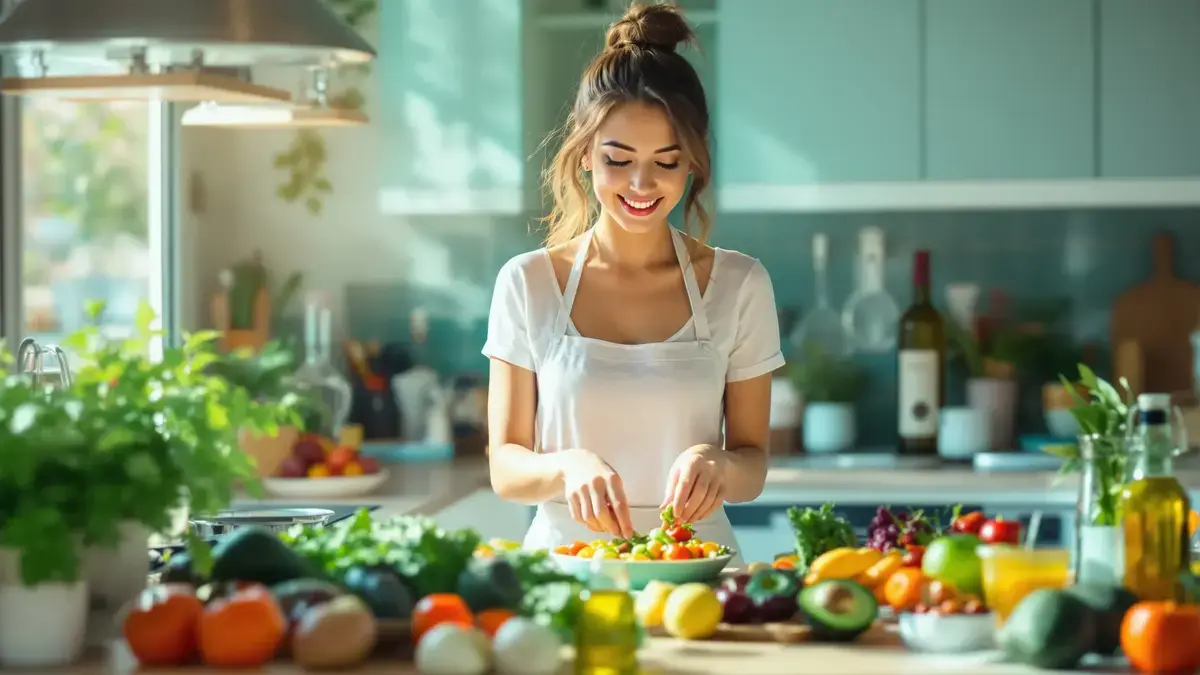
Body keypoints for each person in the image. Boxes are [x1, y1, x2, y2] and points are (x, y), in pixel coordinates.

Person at [481, 2, 783, 564]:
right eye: (618, 160)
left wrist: (720, 465)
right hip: (566, 571)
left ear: (692, 163)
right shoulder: (527, 283)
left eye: (666, 163)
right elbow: (506, 466)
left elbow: (752, 462)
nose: (642, 184)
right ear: (585, 156)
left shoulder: (739, 284)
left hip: (697, 573)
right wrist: (568, 464)